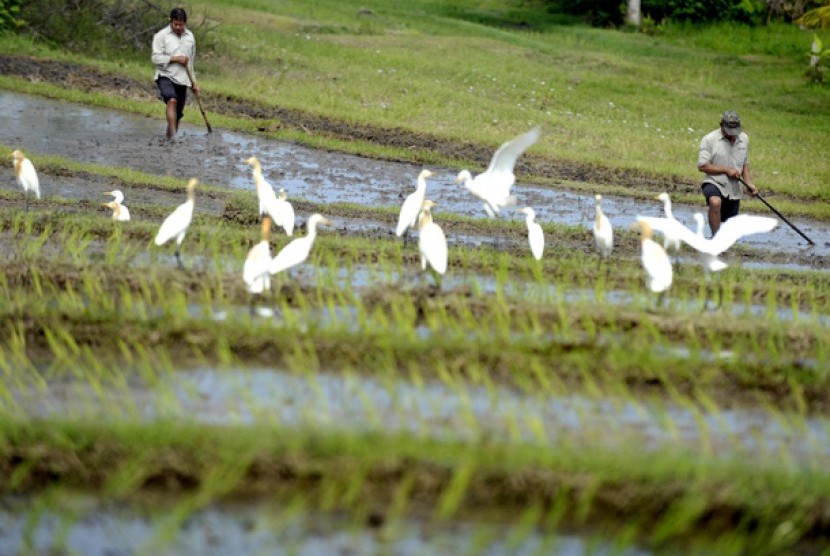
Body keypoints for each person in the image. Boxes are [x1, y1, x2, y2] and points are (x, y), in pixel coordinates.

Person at [697, 110, 758, 236]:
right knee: (715, 202)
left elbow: (744, 163)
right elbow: (702, 166)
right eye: (729, 131)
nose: (733, 135)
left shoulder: (744, 139)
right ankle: (715, 238)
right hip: (714, 181)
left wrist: (749, 183)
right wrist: (726, 170)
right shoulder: (709, 139)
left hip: (734, 187)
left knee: (727, 220)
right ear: (721, 125)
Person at [151, 7, 198, 140]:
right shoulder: (161, 36)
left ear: (185, 23)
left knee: (177, 114)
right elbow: (155, 58)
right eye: (175, 24)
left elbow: (191, 62)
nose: (178, 27)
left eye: (181, 24)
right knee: (172, 100)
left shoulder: (190, 37)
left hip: (183, 79)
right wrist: (175, 58)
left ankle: (170, 141)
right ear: (170, 21)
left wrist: (194, 82)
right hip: (165, 75)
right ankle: (175, 138)